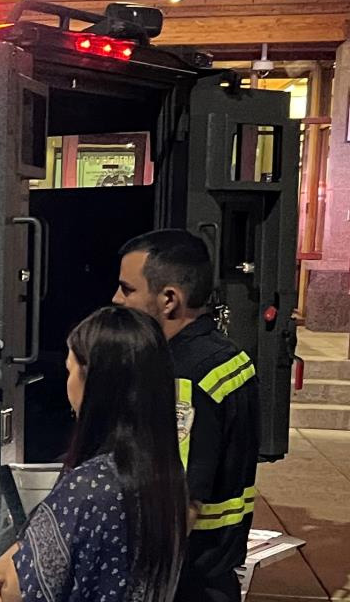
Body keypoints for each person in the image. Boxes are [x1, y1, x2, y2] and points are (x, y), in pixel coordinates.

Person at [0, 307, 191, 602]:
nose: (68, 385)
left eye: (70, 370)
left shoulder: (89, 487)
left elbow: (15, 591)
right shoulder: (168, 476)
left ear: (93, 382)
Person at [114, 229, 261, 602]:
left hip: (183, 581)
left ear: (168, 299)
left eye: (127, 289)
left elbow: (178, 505)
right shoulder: (227, 356)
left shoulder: (183, 379)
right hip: (215, 571)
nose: (116, 300)